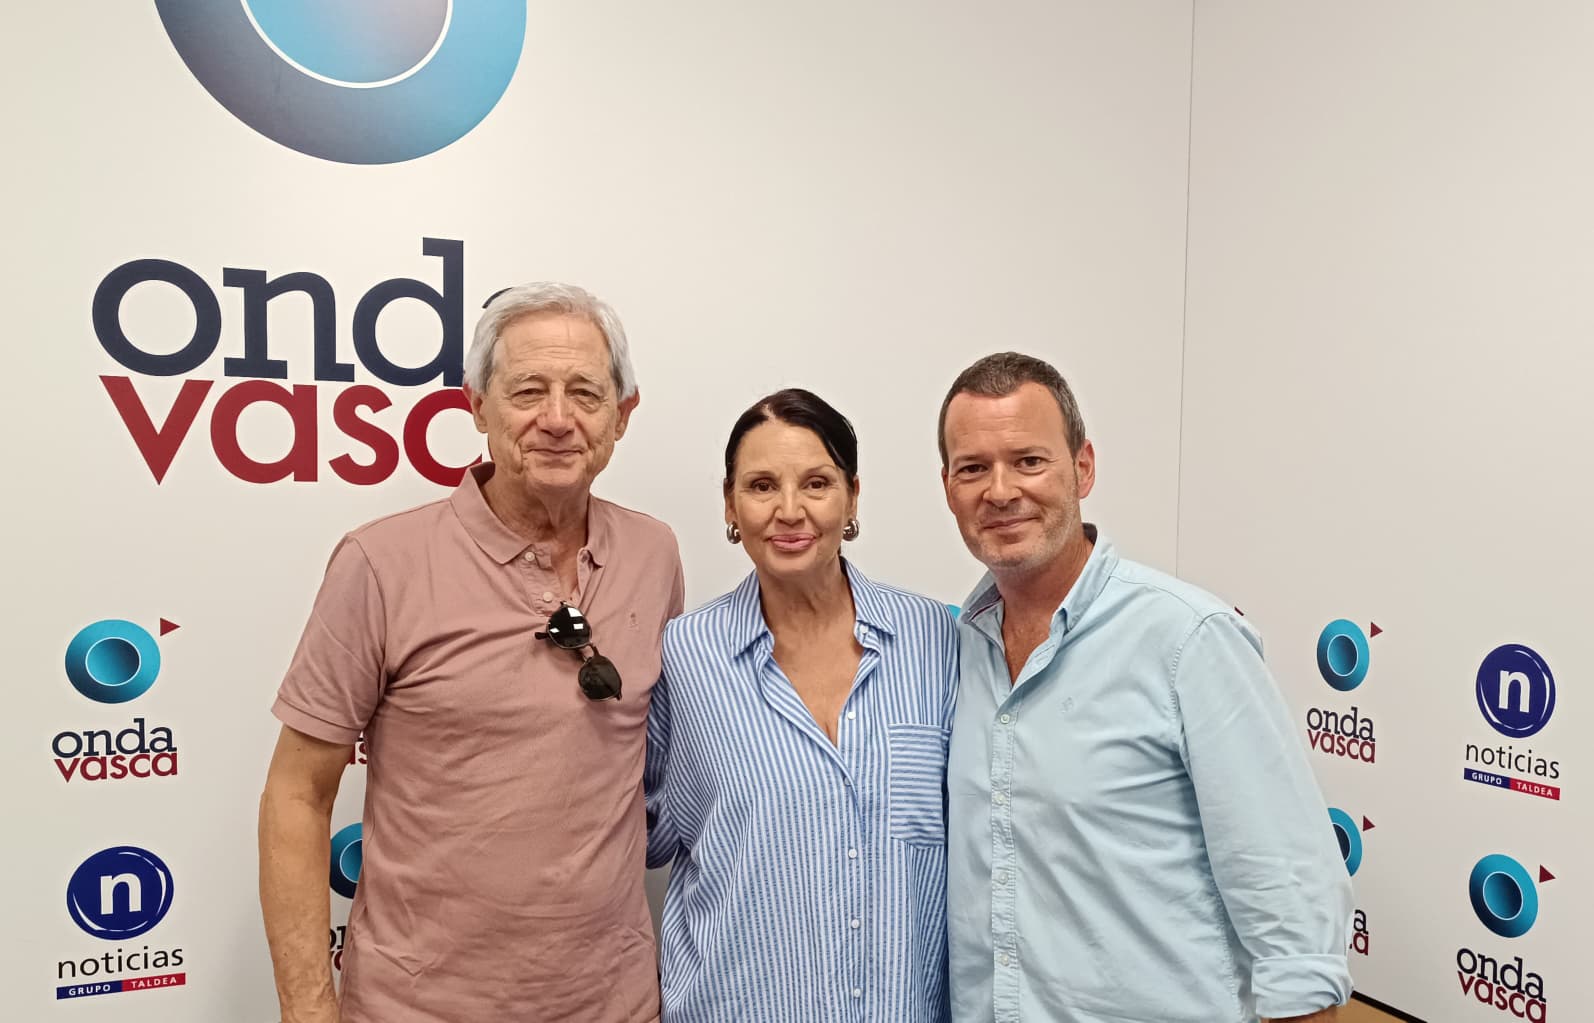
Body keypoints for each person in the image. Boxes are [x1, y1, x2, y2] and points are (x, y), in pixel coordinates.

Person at [258, 283, 684, 1023]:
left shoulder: (655, 552)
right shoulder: (380, 562)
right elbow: (297, 795)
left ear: (623, 414)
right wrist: (306, 1009)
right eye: (528, 391)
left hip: (614, 1003)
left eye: (585, 392)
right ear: (477, 406)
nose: (557, 419)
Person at [938, 352, 1353, 1023]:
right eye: (973, 468)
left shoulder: (1189, 638)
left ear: (1084, 467)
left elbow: (1290, 909)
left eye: (1029, 460)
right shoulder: (956, 650)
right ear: (948, 486)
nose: (1001, 490)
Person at [644, 388, 957, 1022]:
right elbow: (636, 834)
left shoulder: (935, 641)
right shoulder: (681, 656)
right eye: (761, 486)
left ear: (852, 497)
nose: (790, 511)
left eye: (816, 483)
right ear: (730, 506)